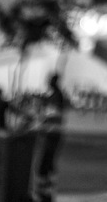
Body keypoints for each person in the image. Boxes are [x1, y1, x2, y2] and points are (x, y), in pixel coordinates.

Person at [32, 73, 65, 202]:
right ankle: (47, 191)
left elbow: (53, 114)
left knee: (44, 164)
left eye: (50, 80)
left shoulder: (56, 95)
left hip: (52, 133)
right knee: (48, 163)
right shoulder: (55, 95)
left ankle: (44, 192)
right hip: (51, 133)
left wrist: (41, 117)